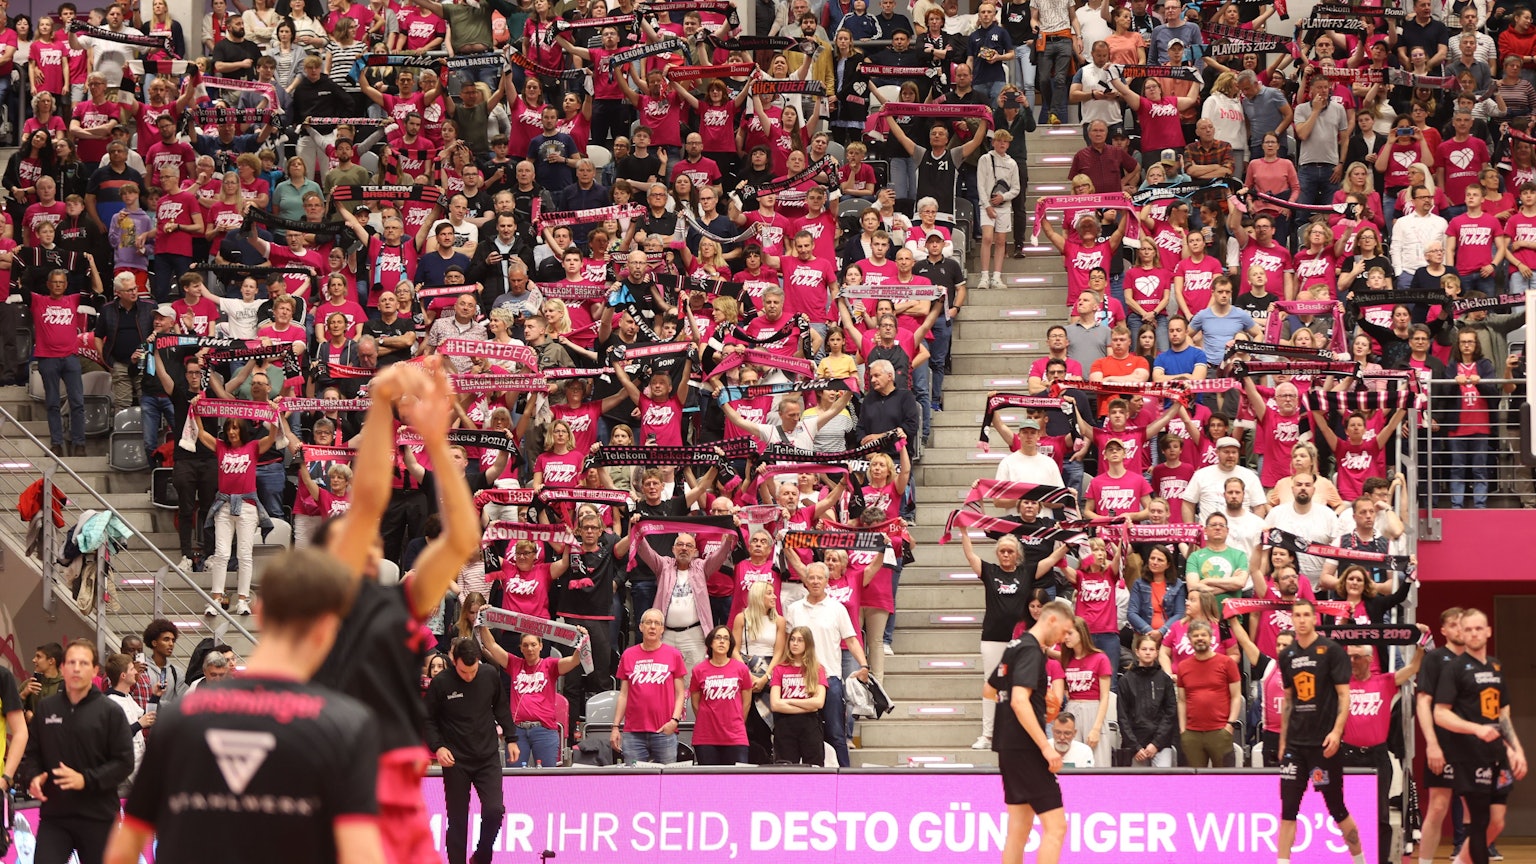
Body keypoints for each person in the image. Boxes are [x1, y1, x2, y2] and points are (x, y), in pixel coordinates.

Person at [104, 548, 387, 864]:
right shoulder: (348, 726)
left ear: (260, 612)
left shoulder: (181, 718)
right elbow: (361, 854)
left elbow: (124, 850)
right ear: (331, 624)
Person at [23, 639, 132, 864]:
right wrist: (32, 777)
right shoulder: (46, 708)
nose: (76, 668)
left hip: (98, 817)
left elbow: (123, 763)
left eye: (83, 663)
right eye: (71, 662)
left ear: (94, 670)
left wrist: (85, 779)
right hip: (55, 817)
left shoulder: (110, 711)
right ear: (62, 668)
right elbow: (32, 754)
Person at [1276, 599, 1368, 864]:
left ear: (1314, 618)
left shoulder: (1331, 651)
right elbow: (1288, 701)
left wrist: (1337, 732)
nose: (1302, 620)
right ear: (1292, 619)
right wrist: (1283, 742)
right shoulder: (1287, 655)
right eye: (1297, 615)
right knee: (1288, 810)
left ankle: (1360, 860)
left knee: (1336, 807)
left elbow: (1344, 696)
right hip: (1295, 745)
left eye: (1306, 615)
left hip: (1323, 744)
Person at [1433, 609, 1528, 864]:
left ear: (1488, 631)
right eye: (1468, 629)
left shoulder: (1495, 666)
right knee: (1480, 821)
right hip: (1468, 755)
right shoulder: (1453, 669)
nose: (1474, 633)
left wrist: (1515, 749)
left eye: (1478, 628)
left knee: (1496, 823)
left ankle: (1461, 861)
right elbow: (1440, 714)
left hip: (1496, 753)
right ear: (1462, 633)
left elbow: (1502, 714)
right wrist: (1475, 729)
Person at [992, 598, 1076, 864]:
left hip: (1007, 744)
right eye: (1064, 631)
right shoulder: (1031, 650)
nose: (1063, 639)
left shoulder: (1014, 646)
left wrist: (1038, 704)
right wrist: (1045, 747)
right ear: (1051, 620)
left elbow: (990, 689)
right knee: (1057, 827)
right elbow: (1019, 701)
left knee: (1019, 828)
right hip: (1026, 747)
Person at [424, 637, 515, 864]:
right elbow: (427, 719)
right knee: (457, 820)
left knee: (495, 810)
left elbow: (502, 707)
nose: (469, 676)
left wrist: (512, 738)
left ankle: (481, 856)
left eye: (473, 670)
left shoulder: (489, 675)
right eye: (464, 672)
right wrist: (438, 747)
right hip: (456, 760)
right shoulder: (441, 682)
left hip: (487, 757)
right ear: (454, 661)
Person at [785, 561, 872, 767]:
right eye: (811, 577)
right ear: (805, 581)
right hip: (799, 679)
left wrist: (864, 665)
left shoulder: (837, 608)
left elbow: (851, 640)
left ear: (826, 581)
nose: (815, 581)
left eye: (819, 578)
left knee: (835, 733)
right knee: (800, 734)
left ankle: (845, 776)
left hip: (830, 678)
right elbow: (788, 642)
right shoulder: (794, 609)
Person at [610, 608, 689, 765]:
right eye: (648, 622)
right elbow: (623, 694)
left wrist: (674, 721)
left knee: (666, 778)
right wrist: (615, 727)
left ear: (662, 629)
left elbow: (680, 694)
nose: (652, 627)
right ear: (640, 627)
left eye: (657, 623)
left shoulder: (674, 655)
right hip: (633, 734)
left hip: (665, 731)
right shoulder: (628, 655)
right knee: (635, 778)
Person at [1176, 619, 1241, 767]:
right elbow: (1182, 700)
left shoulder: (1227, 663)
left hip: (1220, 731)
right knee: (1194, 779)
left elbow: (1236, 696)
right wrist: (1183, 729)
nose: (1200, 638)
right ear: (1189, 639)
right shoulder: (1183, 666)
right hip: (1192, 734)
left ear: (1211, 638)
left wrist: (1230, 725)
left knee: (1224, 777)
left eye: (1203, 635)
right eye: (1195, 635)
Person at [689, 625, 754, 766]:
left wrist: (736, 723)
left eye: (726, 638)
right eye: (718, 637)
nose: (722, 641)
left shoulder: (741, 669)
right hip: (706, 737)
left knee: (736, 779)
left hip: (735, 736)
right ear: (710, 642)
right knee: (709, 779)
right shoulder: (698, 670)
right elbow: (695, 703)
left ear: (730, 644)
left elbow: (747, 702)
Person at [1117, 633, 1176, 767]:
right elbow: (1123, 716)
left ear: (1156, 653)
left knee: (1162, 778)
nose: (1148, 652)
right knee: (1138, 780)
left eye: (1151, 649)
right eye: (1144, 649)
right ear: (1137, 652)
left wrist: (1156, 744)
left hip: (1160, 744)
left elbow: (1170, 713)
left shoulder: (1165, 680)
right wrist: (1135, 746)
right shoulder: (1126, 680)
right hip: (1135, 745)